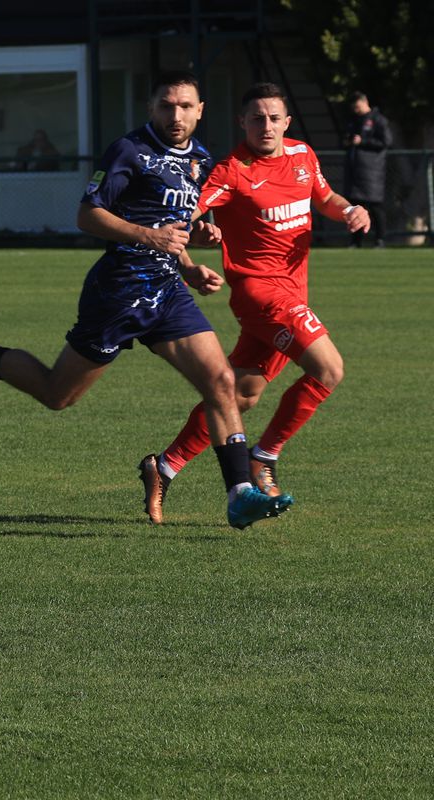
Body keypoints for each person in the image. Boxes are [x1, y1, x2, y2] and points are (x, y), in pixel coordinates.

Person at [0, 71, 293, 531]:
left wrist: (191, 262)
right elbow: (87, 214)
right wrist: (148, 236)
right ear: (151, 108)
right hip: (118, 292)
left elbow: (173, 229)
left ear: (201, 111)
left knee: (220, 381)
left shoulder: (200, 158)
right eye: (166, 105)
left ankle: (239, 495)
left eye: (184, 106)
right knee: (57, 394)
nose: (175, 115)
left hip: (168, 291)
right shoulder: (129, 151)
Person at [138, 83, 370, 524]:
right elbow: (180, 216)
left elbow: (325, 198)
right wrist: (190, 252)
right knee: (329, 369)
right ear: (241, 122)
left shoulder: (302, 155)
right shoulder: (231, 171)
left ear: (287, 122)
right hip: (260, 294)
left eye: (274, 118)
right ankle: (264, 456)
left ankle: (163, 466)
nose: (266, 126)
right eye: (257, 118)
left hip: (293, 292)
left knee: (240, 395)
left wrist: (349, 210)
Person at [343, 91, 392, 248]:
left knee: (375, 206)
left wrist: (363, 141)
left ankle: (380, 239)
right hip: (355, 171)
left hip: (372, 171)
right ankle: (355, 241)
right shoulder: (353, 120)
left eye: (358, 106)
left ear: (365, 102)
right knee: (355, 208)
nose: (356, 110)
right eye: (354, 107)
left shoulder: (378, 120)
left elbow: (386, 142)